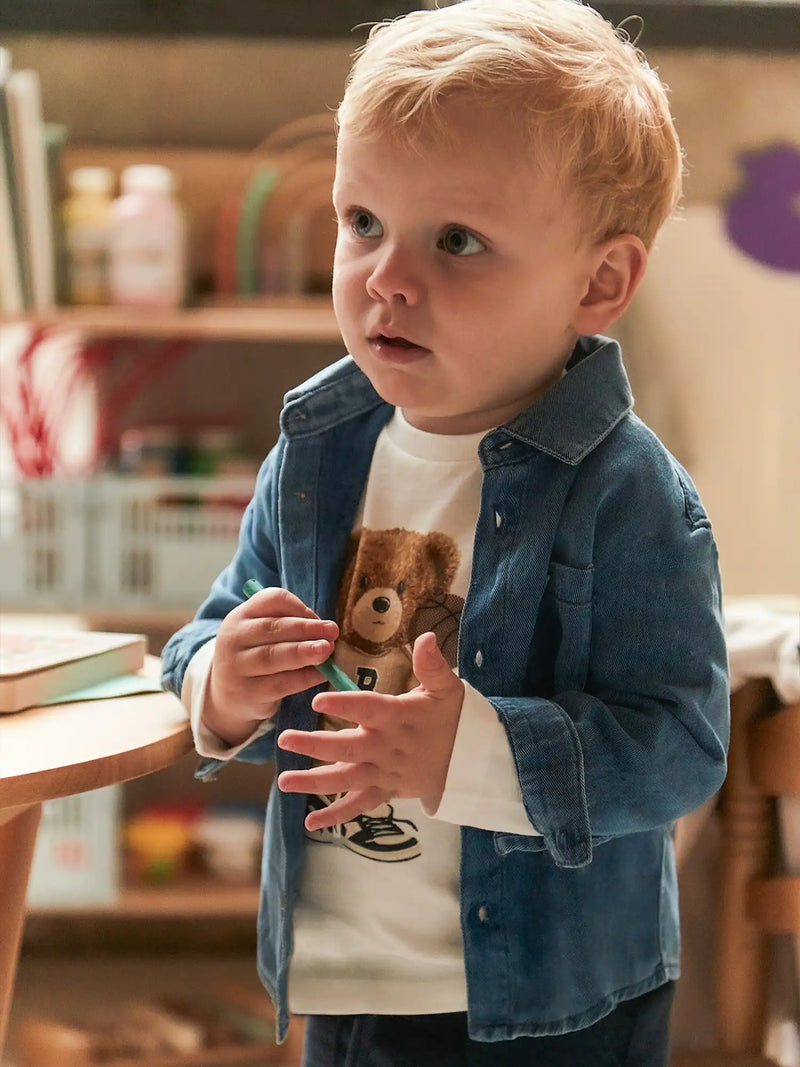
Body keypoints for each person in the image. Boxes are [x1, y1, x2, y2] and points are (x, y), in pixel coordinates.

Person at [161, 2, 729, 1064]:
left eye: (455, 241)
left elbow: (680, 747)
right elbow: (205, 633)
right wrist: (217, 683)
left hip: (554, 1001)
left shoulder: (627, 495)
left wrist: (474, 750)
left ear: (597, 283)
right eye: (361, 221)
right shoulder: (316, 455)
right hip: (342, 970)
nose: (386, 277)